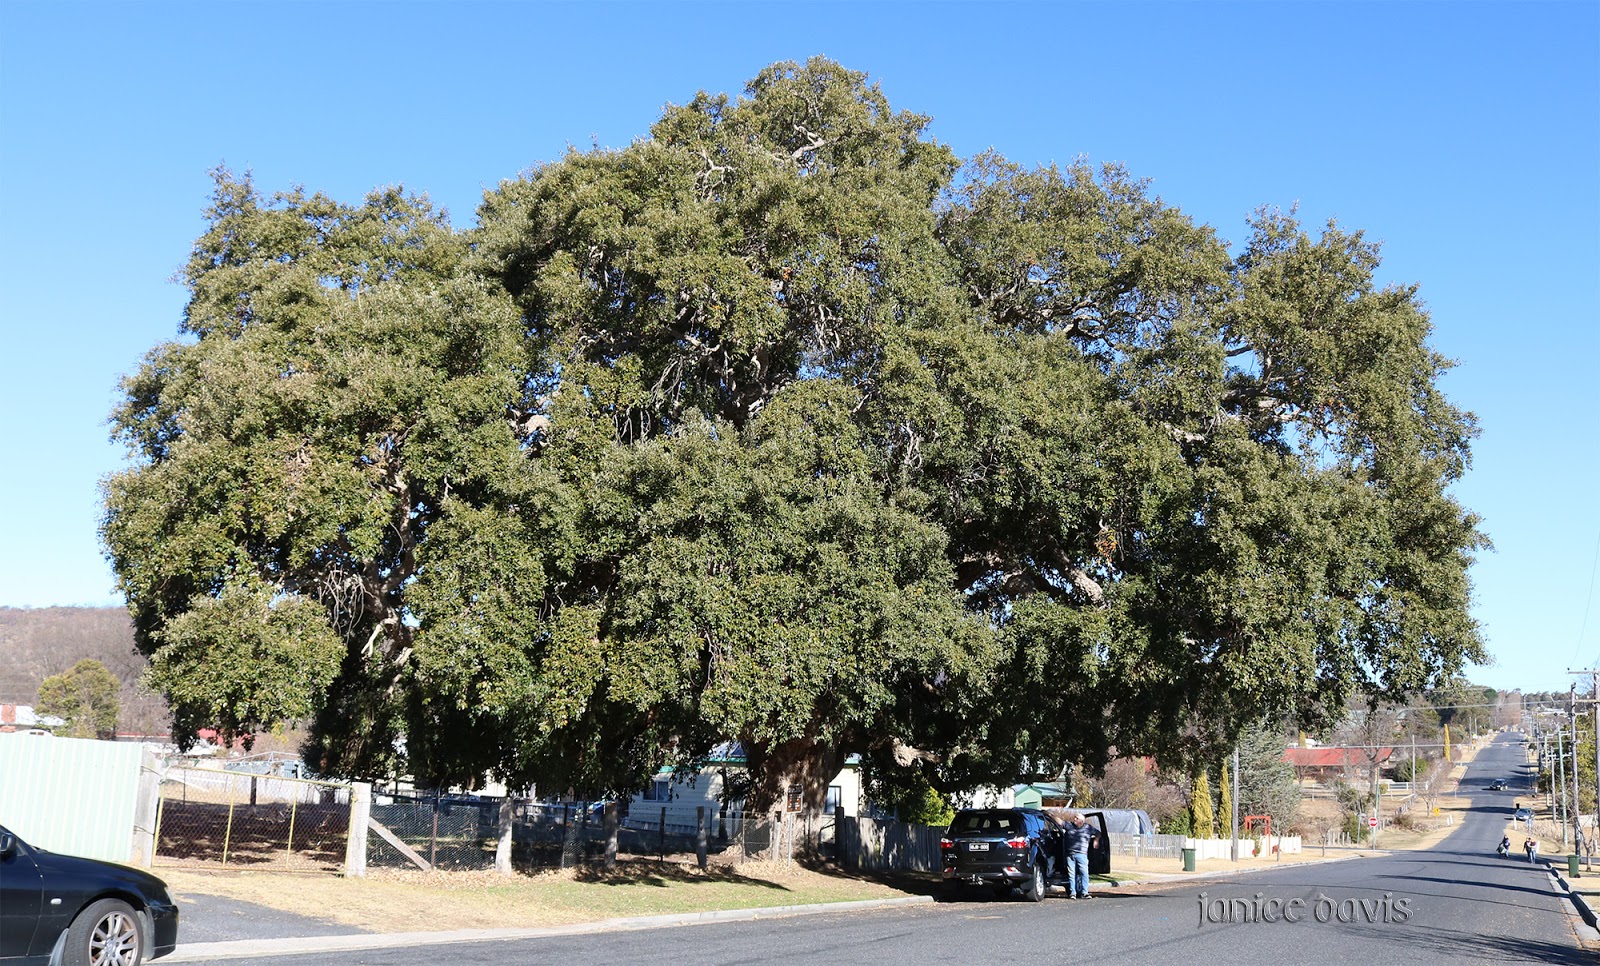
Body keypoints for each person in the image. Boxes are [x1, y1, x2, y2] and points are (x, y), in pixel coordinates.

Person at [1063, 813, 1099, 899]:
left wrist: (1096, 840)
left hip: (1082, 854)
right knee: (1071, 874)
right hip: (1070, 854)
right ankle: (1073, 893)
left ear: (1081, 821)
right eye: (1075, 818)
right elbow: (1060, 822)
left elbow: (1098, 833)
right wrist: (1050, 815)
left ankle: (1084, 892)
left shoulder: (1088, 828)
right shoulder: (1069, 826)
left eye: (1077, 818)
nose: (1075, 819)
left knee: (1084, 873)